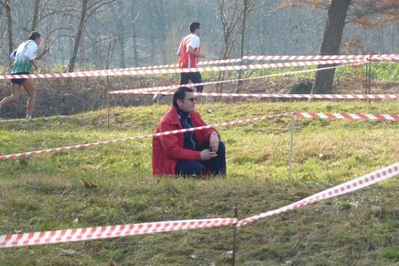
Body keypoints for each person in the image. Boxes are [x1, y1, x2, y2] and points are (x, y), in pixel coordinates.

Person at [152, 86, 226, 177]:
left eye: (195, 99)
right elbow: (172, 151)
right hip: (175, 160)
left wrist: (213, 134)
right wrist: (199, 155)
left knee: (220, 146)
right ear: (179, 102)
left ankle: (219, 178)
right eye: (191, 99)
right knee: (197, 170)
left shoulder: (193, 116)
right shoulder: (167, 122)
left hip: (193, 154)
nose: (195, 102)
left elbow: (206, 129)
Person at [153, 22, 205, 103]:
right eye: (200, 29)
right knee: (200, 86)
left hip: (183, 66)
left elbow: (179, 53)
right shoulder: (195, 38)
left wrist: (186, 59)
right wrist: (199, 55)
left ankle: (161, 94)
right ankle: (195, 103)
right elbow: (189, 50)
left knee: (182, 88)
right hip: (190, 66)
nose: (201, 31)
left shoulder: (185, 38)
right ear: (196, 29)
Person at [0, 31, 41, 119]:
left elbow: (12, 56)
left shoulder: (23, 44)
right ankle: (29, 117)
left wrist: (20, 60)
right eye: (40, 39)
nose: (40, 42)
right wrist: (35, 64)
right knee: (32, 94)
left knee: (15, 97)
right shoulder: (33, 44)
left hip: (15, 72)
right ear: (36, 38)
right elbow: (29, 55)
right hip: (24, 72)